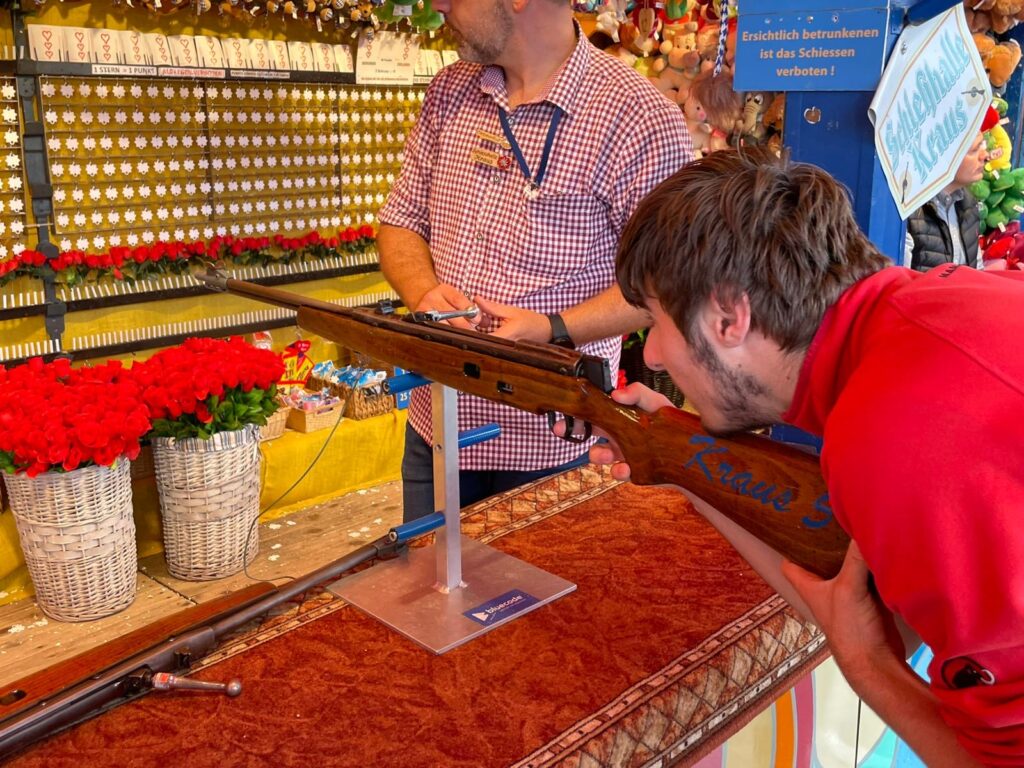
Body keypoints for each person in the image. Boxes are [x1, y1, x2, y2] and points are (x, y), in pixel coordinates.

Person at [592, 147, 1023, 766]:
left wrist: (867, 667)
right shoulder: (931, 318)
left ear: (728, 317)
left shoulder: (894, 435)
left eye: (656, 321)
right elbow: (865, 601)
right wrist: (678, 459)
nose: (653, 355)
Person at [377, 0, 693, 521]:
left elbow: (668, 283)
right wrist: (422, 293)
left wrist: (553, 327)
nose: (437, 6)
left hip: (560, 445)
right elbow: (400, 221)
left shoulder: (638, 117)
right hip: (439, 427)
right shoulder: (449, 90)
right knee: (430, 591)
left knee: (553, 602)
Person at [904, 130, 987, 271]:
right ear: (946, 156)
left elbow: (977, 272)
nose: (985, 156)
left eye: (982, 145)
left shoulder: (969, 204)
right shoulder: (910, 212)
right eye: (974, 150)